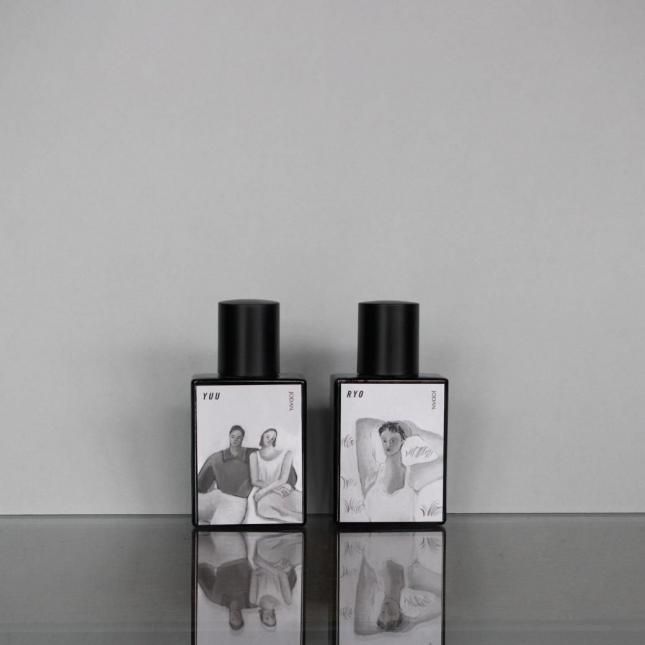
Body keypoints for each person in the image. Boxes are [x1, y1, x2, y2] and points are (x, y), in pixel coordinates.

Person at [352, 533, 442, 634]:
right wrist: (413, 622)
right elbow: (442, 601)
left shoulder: (373, 567)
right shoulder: (412, 576)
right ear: (401, 612)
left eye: (382, 612)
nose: (386, 607)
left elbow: (360, 628)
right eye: (391, 612)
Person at [356, 418, 444, 522]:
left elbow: (445, 456)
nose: (388, 445)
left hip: (406, 532)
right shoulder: (371, 477)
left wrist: (416, 431)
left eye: (393, 440)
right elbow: (362, 425)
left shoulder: (413, 475)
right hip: (374, 532)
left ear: (403, 441)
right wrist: (389, 424)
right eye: (384, 440)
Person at [196, 532, 255, 631]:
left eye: (233, 619)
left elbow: (201, 573)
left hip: (218, 561)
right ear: (242, 617)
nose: (235, 616)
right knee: (220, 532)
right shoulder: (250, 601)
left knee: (197, 545)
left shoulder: (216, 599)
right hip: (236, 556)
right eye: (238, 618)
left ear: (229, 618)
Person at [197, 425, 256, 524]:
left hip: (237, 501)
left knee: (219, 528)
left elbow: (271, 460)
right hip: (217, 496)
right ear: (229, 437)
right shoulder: (216, 458)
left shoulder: (252, 454)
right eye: (233, 436)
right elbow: (200, 485)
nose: (235, 440)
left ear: (242, 439)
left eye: (238, 437)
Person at [249, 533, 302, 630]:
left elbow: (254, 573)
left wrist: (270, 567)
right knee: (301, 551)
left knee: (264, 548)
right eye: (272, 618)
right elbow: (283, 575)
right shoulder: (286, 601)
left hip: (267, 561)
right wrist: (273, 568)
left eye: (266, 618)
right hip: (280, 563)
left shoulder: (253, 599)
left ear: (261, 617)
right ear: (275, 616)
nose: (269, 616)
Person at [249, 428, 303, 523]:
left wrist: (264, 491)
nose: (270, 440)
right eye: (267, 436)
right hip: (267, 492)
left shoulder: (287, 454)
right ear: (262, 437)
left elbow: (283, 479)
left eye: (273, 438)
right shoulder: (254, 455)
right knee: (264, 509)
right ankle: (294, 519)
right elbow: (255, 481)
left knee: (301, 503)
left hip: (280, 489)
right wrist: (274, 490)